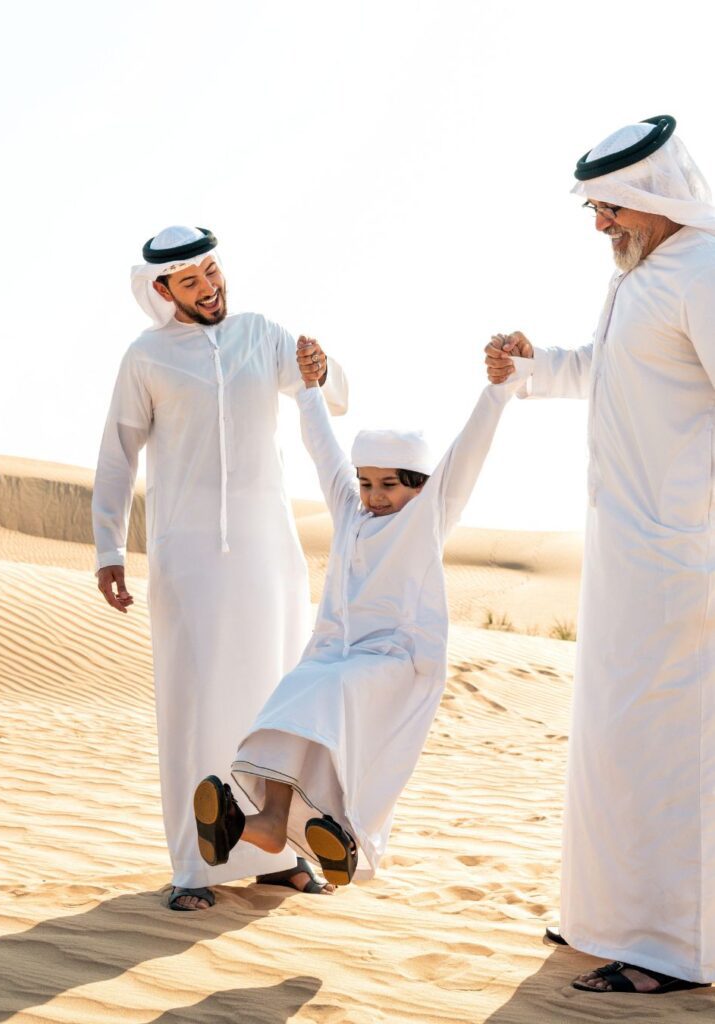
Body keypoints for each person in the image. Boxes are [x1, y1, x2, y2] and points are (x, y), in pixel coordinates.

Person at [485, 116, 715, 994]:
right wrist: (530, 364)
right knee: (614, 738)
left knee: (671, 744)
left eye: (608, 205)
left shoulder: (702, 270)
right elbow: (604, 369)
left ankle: (676, 948)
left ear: (652, 193)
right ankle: (607, 919)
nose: (598, 224)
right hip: (625, 554)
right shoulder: (640, 277)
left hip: (681, 558)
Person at [194, 339, 529, 885]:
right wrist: (309, 389)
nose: (374, 495)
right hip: (334, 656)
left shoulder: (426, 517)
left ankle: (345, 835)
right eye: (366, 482)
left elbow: (468, 452)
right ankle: (268, 823)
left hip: (395, 661)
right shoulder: (351, 514)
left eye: (389, 485)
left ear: (419, 485)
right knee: (295, 697)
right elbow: (323, 450)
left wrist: (498, 391)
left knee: (329, 698)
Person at [92, 226, 349, 910]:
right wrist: (108, 548)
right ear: (162, 289)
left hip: (270, 554)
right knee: (196, 702)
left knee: (278, 698)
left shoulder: (260, 334)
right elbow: (118, 454)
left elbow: (329, 393)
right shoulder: (145, 357)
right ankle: (195, 867)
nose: (209, 288)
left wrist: (324, 366)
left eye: (212, 272)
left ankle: (282, 854)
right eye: (191, 281)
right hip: (188, 557)